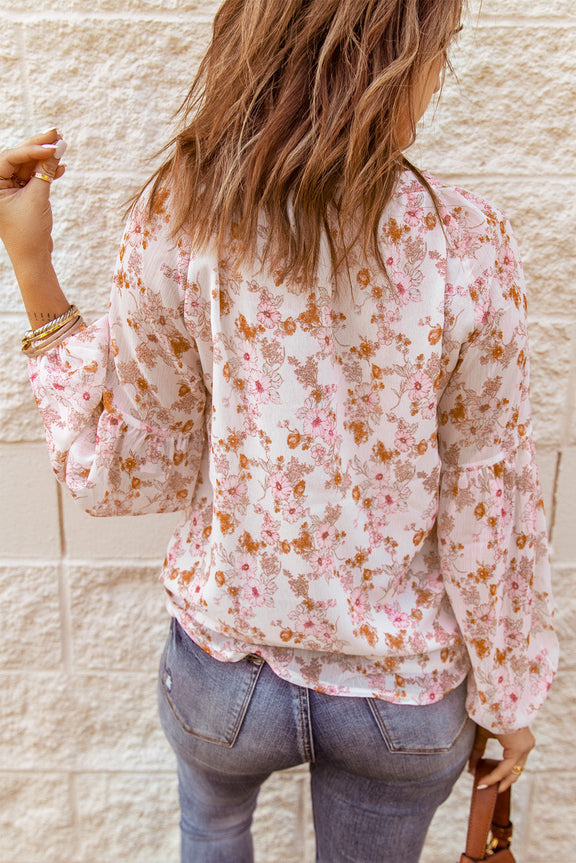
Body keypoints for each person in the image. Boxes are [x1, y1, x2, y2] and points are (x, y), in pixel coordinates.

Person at [0, 1, 559, 861]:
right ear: (377, 70)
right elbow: (490, 490)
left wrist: (32, 266)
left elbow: (126, 473)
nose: (437, 78)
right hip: (400, 692)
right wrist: (511, 697)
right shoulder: (466, 241)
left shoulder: (180, 219)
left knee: (210, 832)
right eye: (434, 55)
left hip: (226, 675)